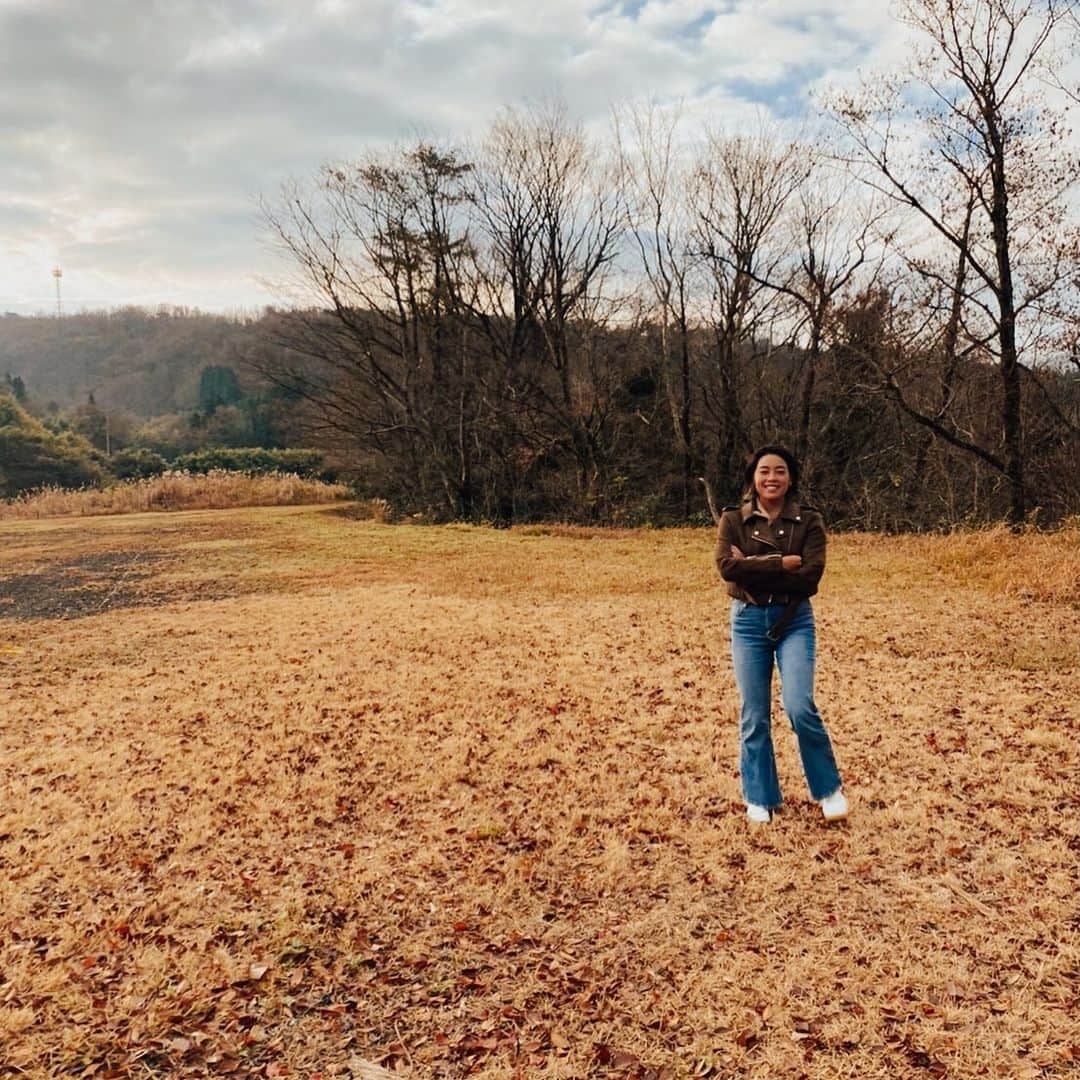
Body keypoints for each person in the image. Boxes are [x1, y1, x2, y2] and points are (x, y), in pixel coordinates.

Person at [714, 445, 848, 824]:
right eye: (764, 471)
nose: (771, 478)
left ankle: (828, 790)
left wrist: (751, 565)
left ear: (791, 478)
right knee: (754, 714)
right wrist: (780, 563)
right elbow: (726, 568)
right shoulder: (732, 519)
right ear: (752, 477)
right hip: (748, 621)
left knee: (799, 705)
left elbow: (810, 576)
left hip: (794, 620)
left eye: (780, 471)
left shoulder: (809, 521)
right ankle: (760, 796)